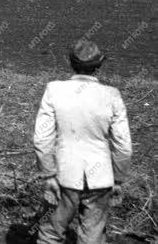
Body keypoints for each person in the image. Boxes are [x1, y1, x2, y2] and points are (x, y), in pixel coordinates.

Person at [34, 40, 132, 244]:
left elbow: (42, 138)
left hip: (63, 176)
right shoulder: (112, 95)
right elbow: (123, 146)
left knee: (51, 234)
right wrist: (118, 179)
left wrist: (49, 174)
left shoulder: (54, 90)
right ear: (98, 66)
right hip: (101, 179)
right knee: (92, 237)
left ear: (71, 63)